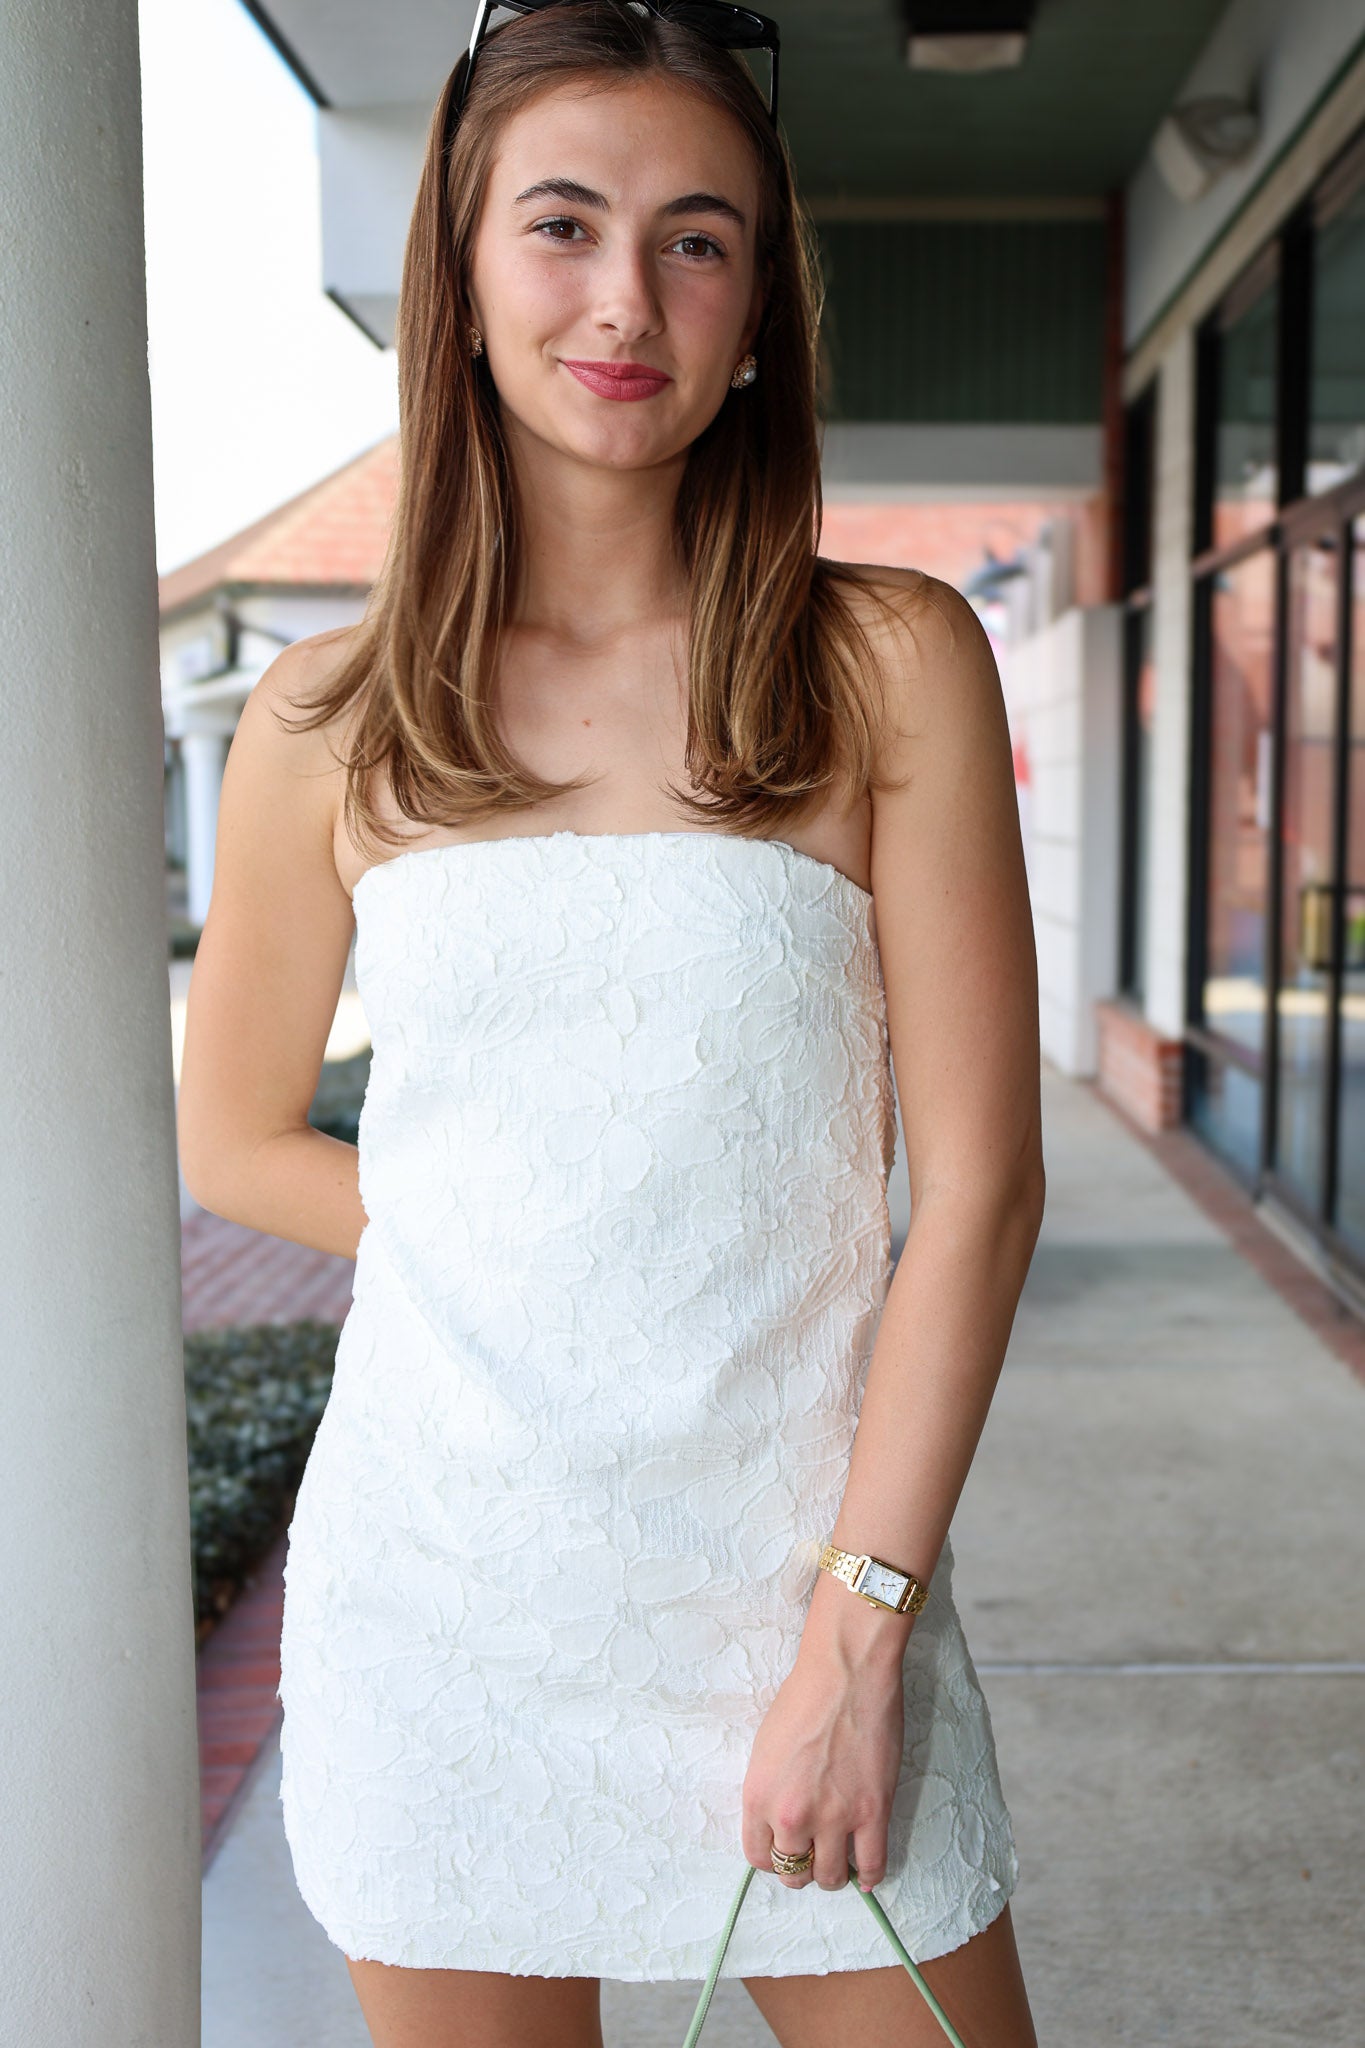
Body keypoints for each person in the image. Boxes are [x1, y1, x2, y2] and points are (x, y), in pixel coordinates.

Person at [177, 3, 1044, 2043]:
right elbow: (229, 1144)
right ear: (461, 267)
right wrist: (539, 1254)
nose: (623, 298)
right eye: (560, 225)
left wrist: (856, 1636)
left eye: (695, 238)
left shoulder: (884, 661)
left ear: (757, 304)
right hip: (447, 1597)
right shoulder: (322, 722)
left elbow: (983, 1190)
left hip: (793, 1582)